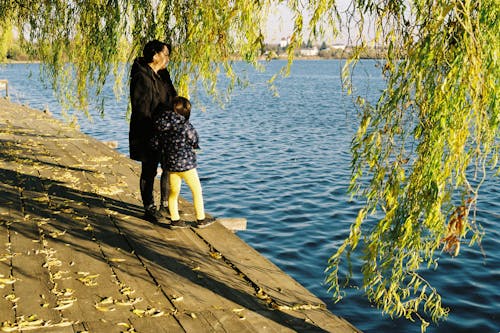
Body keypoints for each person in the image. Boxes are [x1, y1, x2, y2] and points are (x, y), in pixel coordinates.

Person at [129, 40, 177, 223]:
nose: (168, 59)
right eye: (165, 54)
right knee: (149, 169)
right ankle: (149, 207)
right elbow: (141, 107)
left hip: (166, 129)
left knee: (168, 166)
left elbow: (172, 95)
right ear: (155, 55)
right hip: (147, 128)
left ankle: (165, 204)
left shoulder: (163, 74)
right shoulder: (140, 76)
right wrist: (156, 124)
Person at [153, 96, 216, 229]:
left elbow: (157, 142)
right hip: (186, 165)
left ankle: (175, 220)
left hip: (171, 164)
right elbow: (194, 139)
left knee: (173, 192)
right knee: (197, 190)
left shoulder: (161, 125)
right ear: (185, 112)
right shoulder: (185, 125)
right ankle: (201, 219)